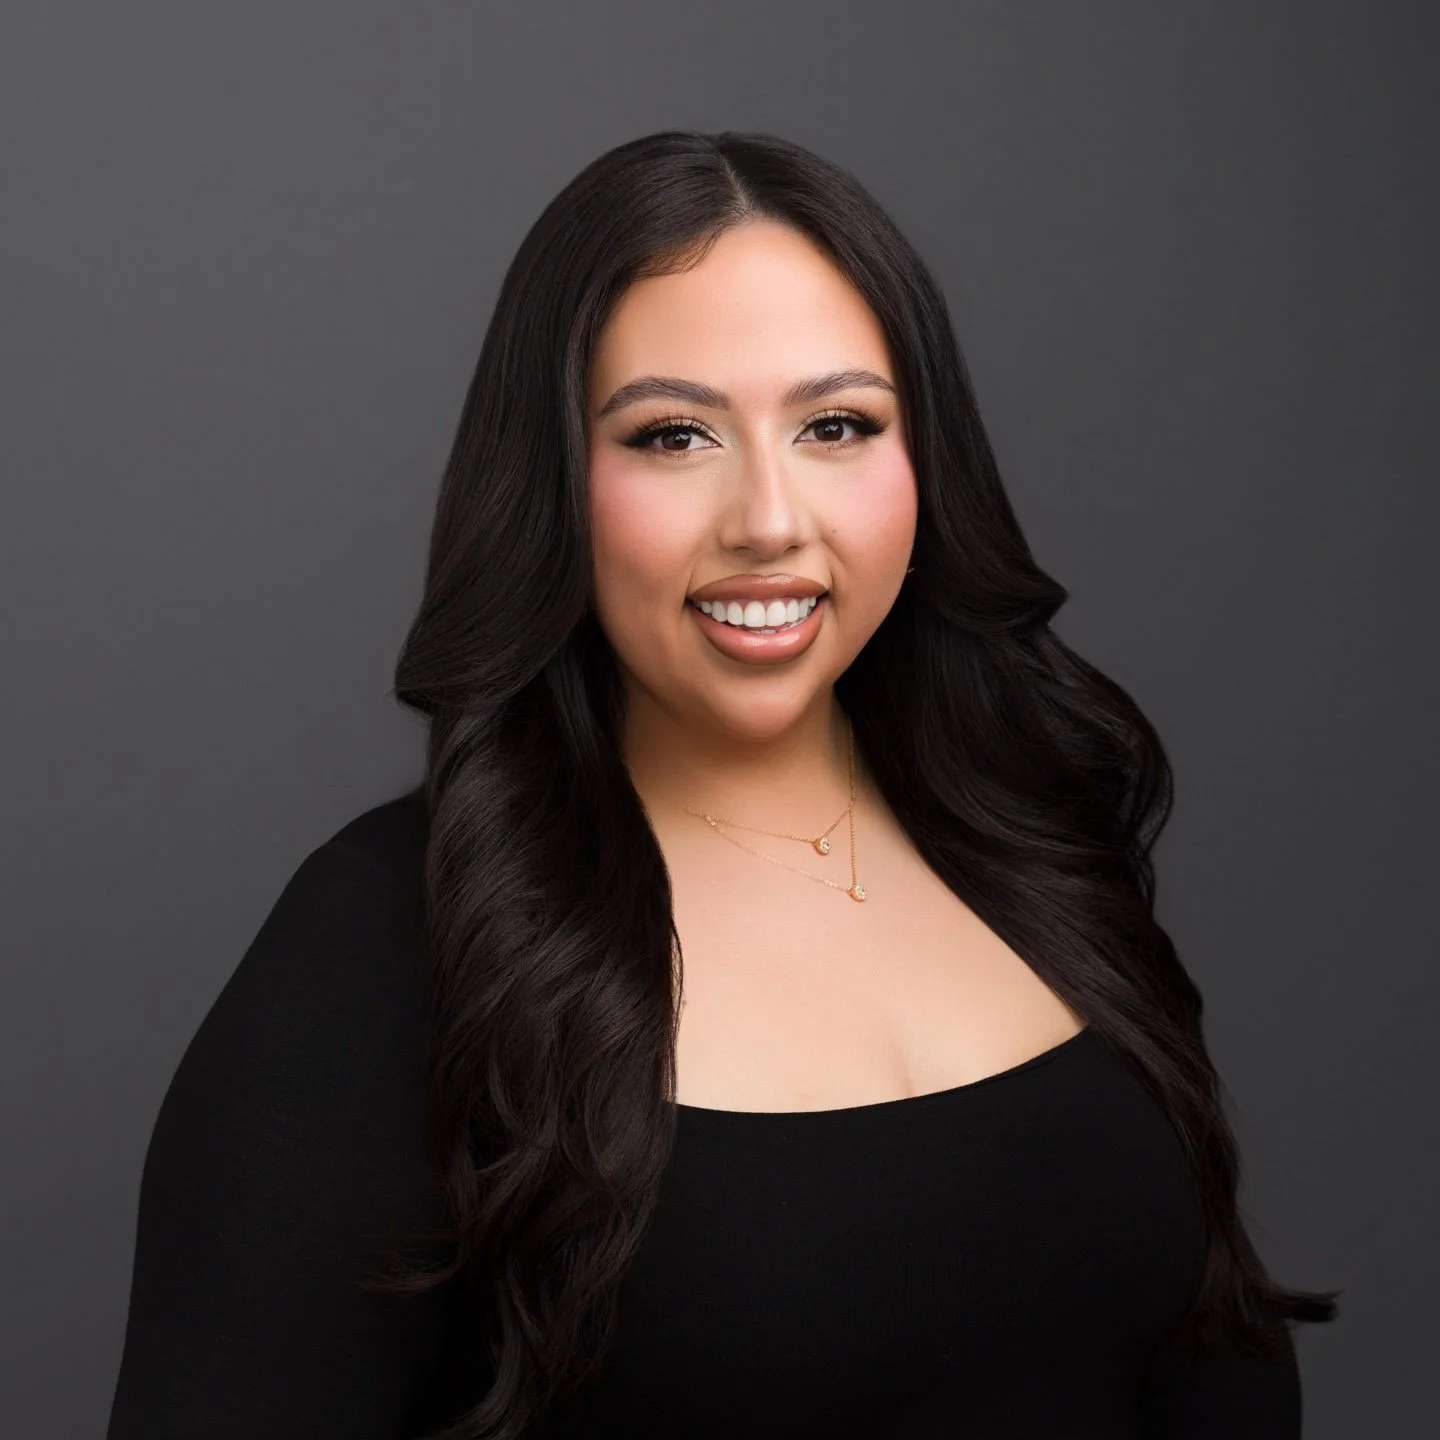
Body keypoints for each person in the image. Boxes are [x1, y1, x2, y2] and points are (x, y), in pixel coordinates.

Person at [104, 130, 1340, 1440]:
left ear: (926, 461)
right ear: (552, 482)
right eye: (675, 434)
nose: (768, 519)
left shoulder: (1041, 854)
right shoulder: (381, 948)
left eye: (837, 426)